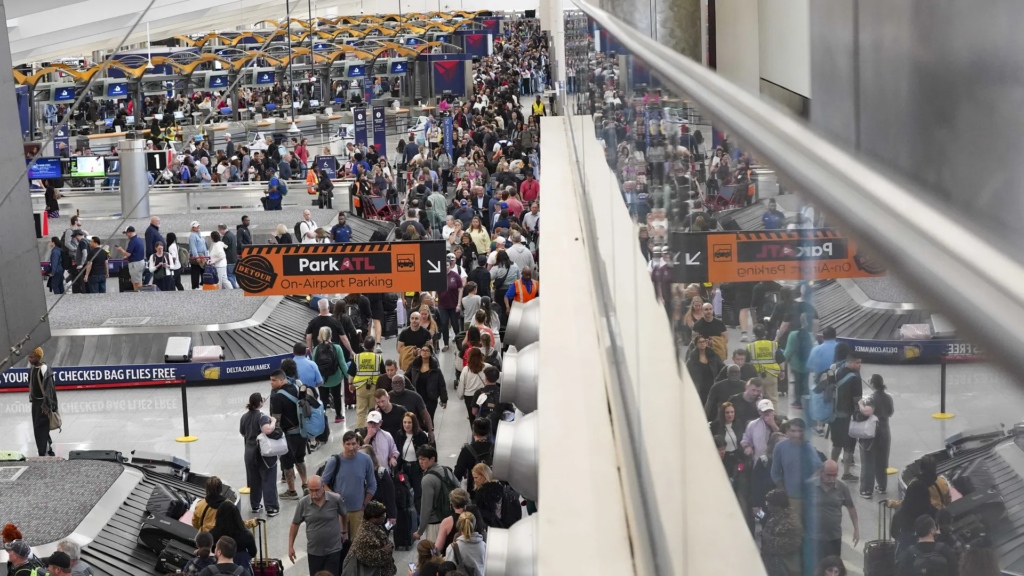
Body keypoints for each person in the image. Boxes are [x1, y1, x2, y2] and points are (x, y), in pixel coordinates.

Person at [289, 474, 348, 576]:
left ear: (323, 487)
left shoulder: (335, 499)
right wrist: (290, 546)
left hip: (333, 549)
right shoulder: (303, 503)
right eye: (311, 490)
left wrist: (344, 532)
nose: (314, 494)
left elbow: (344, 514)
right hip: (314, 552)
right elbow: (295, 524)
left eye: (316, 490)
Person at [322, 431, 377, 539]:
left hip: (357, 511)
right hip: (338, 511)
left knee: (357, 545)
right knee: (339, 544)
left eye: (353, 444)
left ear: (358, 444)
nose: (351, 447)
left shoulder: (366, 460)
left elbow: (372, 484)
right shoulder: (334, 461)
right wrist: (334, 495)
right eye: (348, 444)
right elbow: (322, 483)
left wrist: (364, 504)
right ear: (343, 444)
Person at [807, 460, 860, 572]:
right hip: (814, 537)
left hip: (834, 537)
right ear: (821, 472)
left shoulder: (842, 487)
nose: (831, 478)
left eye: (834, 475)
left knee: (833, 569)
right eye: (828, 475)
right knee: (816, 569)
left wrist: (856, 529)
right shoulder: (810, 486)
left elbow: (851, 507)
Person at [770, 418, 821, 528]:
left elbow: (819, 469)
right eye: (793, 431)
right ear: (787, 431)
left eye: (800, 431)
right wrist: (784, 492)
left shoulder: (809, 448)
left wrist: (810, 483)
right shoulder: (780, 448)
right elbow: (775, 472)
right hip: (791, 498)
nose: (797, 434)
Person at [269, 369, 309, 499]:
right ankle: (305, 485)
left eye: (274, 380)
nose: (271, 383)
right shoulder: (296, 388)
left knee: (287, 463)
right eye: (271, 380)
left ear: (282, 380)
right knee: (300, 458)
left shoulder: (277, 397)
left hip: (289, 435)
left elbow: (276, 420)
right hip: (302, 432)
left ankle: (292, 491)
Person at [239, 393, 280, 516]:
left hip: (249, 453)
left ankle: (255, 505)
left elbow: (243, 433)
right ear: (260, 403)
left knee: (254, 479)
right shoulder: (262, 417)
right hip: (262, 453)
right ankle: (271, 507)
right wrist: (273, 421)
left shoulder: (244, 417)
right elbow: (267, 429)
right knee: (268, 478)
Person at [859, 374, 894, 498]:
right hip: (885, 431)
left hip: (871, 433)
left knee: (868, 460)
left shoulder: (870, 399)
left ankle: (866, 490)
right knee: (882, 460)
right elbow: (890, 412)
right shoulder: (888, 398)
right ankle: (882, 485)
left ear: (873, 384)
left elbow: (864, 414)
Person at [415, 445, 459, 542]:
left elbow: (426, 507)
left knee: (434, 553)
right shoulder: (447, 470)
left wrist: (420, 531)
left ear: (432, 459)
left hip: (434, 523)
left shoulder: (427, 479)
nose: (420, 462)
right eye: (419, 459)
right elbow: (459, 489)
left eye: (423, 459)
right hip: (451, 518)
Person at [831, 353, 864, 481]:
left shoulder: (838, 370)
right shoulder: (855, 377)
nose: (860, 365)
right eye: (857, 363)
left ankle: (830, 467)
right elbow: (857, 400)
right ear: (850, 363)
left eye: (860, 363)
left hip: (834, 414)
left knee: (836, 443)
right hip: (847, 416)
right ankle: (846, 473)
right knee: (849, 445)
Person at [890, 475, 939, 555]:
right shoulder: (934, 512)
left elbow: (894, 534)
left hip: (906, 552)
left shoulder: (900, 515)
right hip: (930, 553)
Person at [347, 500, 397, 576]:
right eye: (382, 516)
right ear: (373, 518)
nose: (384, 517)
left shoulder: (374, 526)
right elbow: (369, 559)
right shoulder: (365, 536)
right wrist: (385, 550)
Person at [759, 489, 802, 576]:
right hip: (771, 564)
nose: (767, 506)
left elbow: (787, 546)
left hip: (783, 568)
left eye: (769, 504)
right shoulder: (777, 515)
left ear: (778, 506)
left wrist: (768, 538)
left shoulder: (789, 522)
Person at [347, 335, 384, 428]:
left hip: (360, 388)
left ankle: (360, 433)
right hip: (374, 388)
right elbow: (383, 375)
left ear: (363, 345)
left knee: (361, 412)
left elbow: (351, 374)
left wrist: (350, 384)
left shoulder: (357, 357)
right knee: (373, 411)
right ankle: (373, 431)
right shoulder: (378, 358)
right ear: (373, 347)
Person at [27, 347, 56, 456]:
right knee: (39, 428)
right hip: (35, 403)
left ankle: (43, 451)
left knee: (40, 428)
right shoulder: (33, 368)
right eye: (29, 357)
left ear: (38, 357)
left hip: (43, 403)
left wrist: (46, 406)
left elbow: (49, 389)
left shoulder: (44, 369)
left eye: (32, 357)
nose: (30, 359)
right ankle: (47, 449)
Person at [314, 327, 347, 424]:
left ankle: (323, 417)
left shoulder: (316, 349)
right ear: (331, 335)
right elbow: (342, 364)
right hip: (335, 377)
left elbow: (314, 365)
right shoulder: (337, 348)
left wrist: (316, 380)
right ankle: (338, 416)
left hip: (322, 379)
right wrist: (349, 377)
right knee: (337, 396)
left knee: (323, 398)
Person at [210, 502, 257, 569]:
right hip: (241, 567)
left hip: (219, 569)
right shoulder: (246, 534)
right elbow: (253, 553)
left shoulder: (212, 534)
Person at [389, 374, 436, 441]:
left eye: (400, 382)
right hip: (394, 434)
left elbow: (425, 414)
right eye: (395, 382)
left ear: (404, 384)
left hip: (413, 433)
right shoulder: (387, 398)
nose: (397, 384)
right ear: (391, 385)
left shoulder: (415, 396)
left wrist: (430, 431)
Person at [784, 314, 816, 409]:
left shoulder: (793, 334)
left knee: (797, 382)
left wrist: (783, 362)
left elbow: (788, 351)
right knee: (805, 382)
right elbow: (814, 348)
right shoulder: (810, 335)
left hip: (796, 364)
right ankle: (806, 401)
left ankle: (797, 402)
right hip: (807, 364)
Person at [455, 418, 493, 498]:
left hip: (474, 492)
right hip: (493, 492)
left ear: (474, 433)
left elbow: (457, 473)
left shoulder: (467, 450)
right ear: (489, 432)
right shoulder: (496, 448)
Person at [747, 324, 784, 406]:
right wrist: (782, 371)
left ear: (754, 334)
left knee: (756, 398)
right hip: (771, 375)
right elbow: (780, 360)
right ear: (765, 333)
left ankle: (758, 416)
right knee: (773, 399)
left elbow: (746, 363)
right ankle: (774, 417)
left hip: (756, 376)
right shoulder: (773, 345)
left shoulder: (750, 347)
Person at [686, 336, 725, 406]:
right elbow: (687, 376)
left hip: (712, 387)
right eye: (700, 342)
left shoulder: (714, 356)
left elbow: (723, 369)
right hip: (699, 389)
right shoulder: (692, 361)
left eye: (704, 341)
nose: (702, 343)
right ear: (696, 345)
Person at [436, 258, 464, 351]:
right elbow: (434, 288)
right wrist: (432, 297)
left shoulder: (455, 276)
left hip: (454, 305)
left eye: (447, 265)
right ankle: (446, 344)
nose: (445, 267)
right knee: (444, 324)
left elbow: (460, 290)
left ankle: (459, 342)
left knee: (455, 324)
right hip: (442, 305)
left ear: (450, 265)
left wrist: (459, 304)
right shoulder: (438, 276)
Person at [457, 349, 489, 428]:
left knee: (472, 418)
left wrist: (460, 396)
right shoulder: (487, 367)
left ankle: (475, 435)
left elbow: (462, 384)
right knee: (485, 415)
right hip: (484, 395)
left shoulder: (466, 369)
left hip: (470, 397)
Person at [115, 225, 146, 290]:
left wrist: (121, 249)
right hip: (140, 262)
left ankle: (139, 295)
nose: (126, 235)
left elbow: (128, 254)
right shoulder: (138, 239)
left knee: (137, 282)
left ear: (129, 232)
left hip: (135, 264)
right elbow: (136, 252)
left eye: (126, 233)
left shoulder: (133, 241)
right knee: (136, 281)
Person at [188, 221, 209, 289]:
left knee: (203, 271)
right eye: (195, 226)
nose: (197, 227)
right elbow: (193, 247)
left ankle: (202, 285)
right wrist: (196, 257)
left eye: (198, 226)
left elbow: (204, 246)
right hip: (197, 257)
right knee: (195, 273)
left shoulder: (199, 234)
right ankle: (195, 287)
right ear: (192, 228)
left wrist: (206, 256)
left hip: (203, 256)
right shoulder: (192, 235)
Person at [216, 224, 238, 289]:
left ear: (221, 229)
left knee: (229, 276)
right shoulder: (232, 235)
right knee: (233, 276)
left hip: (229, 260)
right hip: (234, 259)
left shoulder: (226, 237)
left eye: (219, 230)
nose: (219, 232)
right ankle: (234, 288)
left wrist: (220, 245)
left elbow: (225, 247)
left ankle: (234, 290)